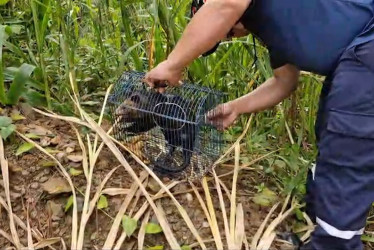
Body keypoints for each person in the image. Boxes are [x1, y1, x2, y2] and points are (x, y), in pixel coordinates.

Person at [144, 0, 374, 249]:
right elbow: (283, 83)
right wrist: (235, 108)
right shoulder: (275, 25)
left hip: (367, 48)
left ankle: (333, 246)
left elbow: (226, 4)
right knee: (331, 130)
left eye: (227, 31)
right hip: (352, 60)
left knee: (347, 141)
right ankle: (317, 226)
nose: (231, 36)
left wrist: (172, 64)